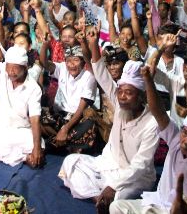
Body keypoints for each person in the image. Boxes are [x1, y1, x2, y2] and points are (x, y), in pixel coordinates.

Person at [60, 24, 159, 213]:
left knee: (118, 202)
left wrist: (113, 187)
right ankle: (98, 196)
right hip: (108, 164)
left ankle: (104, 196)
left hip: (135, 178)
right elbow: (102, 76)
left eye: (128, 93)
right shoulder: (121, 104)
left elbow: (141, 164)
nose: (121, 96)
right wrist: (93, 44)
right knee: (71, 162)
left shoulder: (151, 123)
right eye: (120, 91)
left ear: (140, 96)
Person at [110, 65, 187, 214]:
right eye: (185, 133)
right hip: (158, 204)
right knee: (116, 207)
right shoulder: (176, 140)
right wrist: (148, 81)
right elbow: (159, 112)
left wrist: (185, 210)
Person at [0, 19, 44, 167]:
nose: (10, 71)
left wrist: (36, 149)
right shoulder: (2, 71)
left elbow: (35, 120)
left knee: (38, 143)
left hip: (20, 132)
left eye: (15, 68)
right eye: (8, 67)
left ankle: (7, 153)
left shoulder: (33, 88)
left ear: (24, 67)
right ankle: (21, 157)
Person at [39, 43, 98, 152]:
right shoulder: (62, 68)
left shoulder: (89, 76)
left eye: (75, 60)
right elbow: (44, 64)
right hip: (60, 117)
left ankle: (55, 143)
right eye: (68, 61)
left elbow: (81, 110)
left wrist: (65, 129)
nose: (71, 64)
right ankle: (64, 143)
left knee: (90, 124)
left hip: (76, 119)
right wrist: (45, 46)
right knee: (38, 114)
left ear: (83, 62)